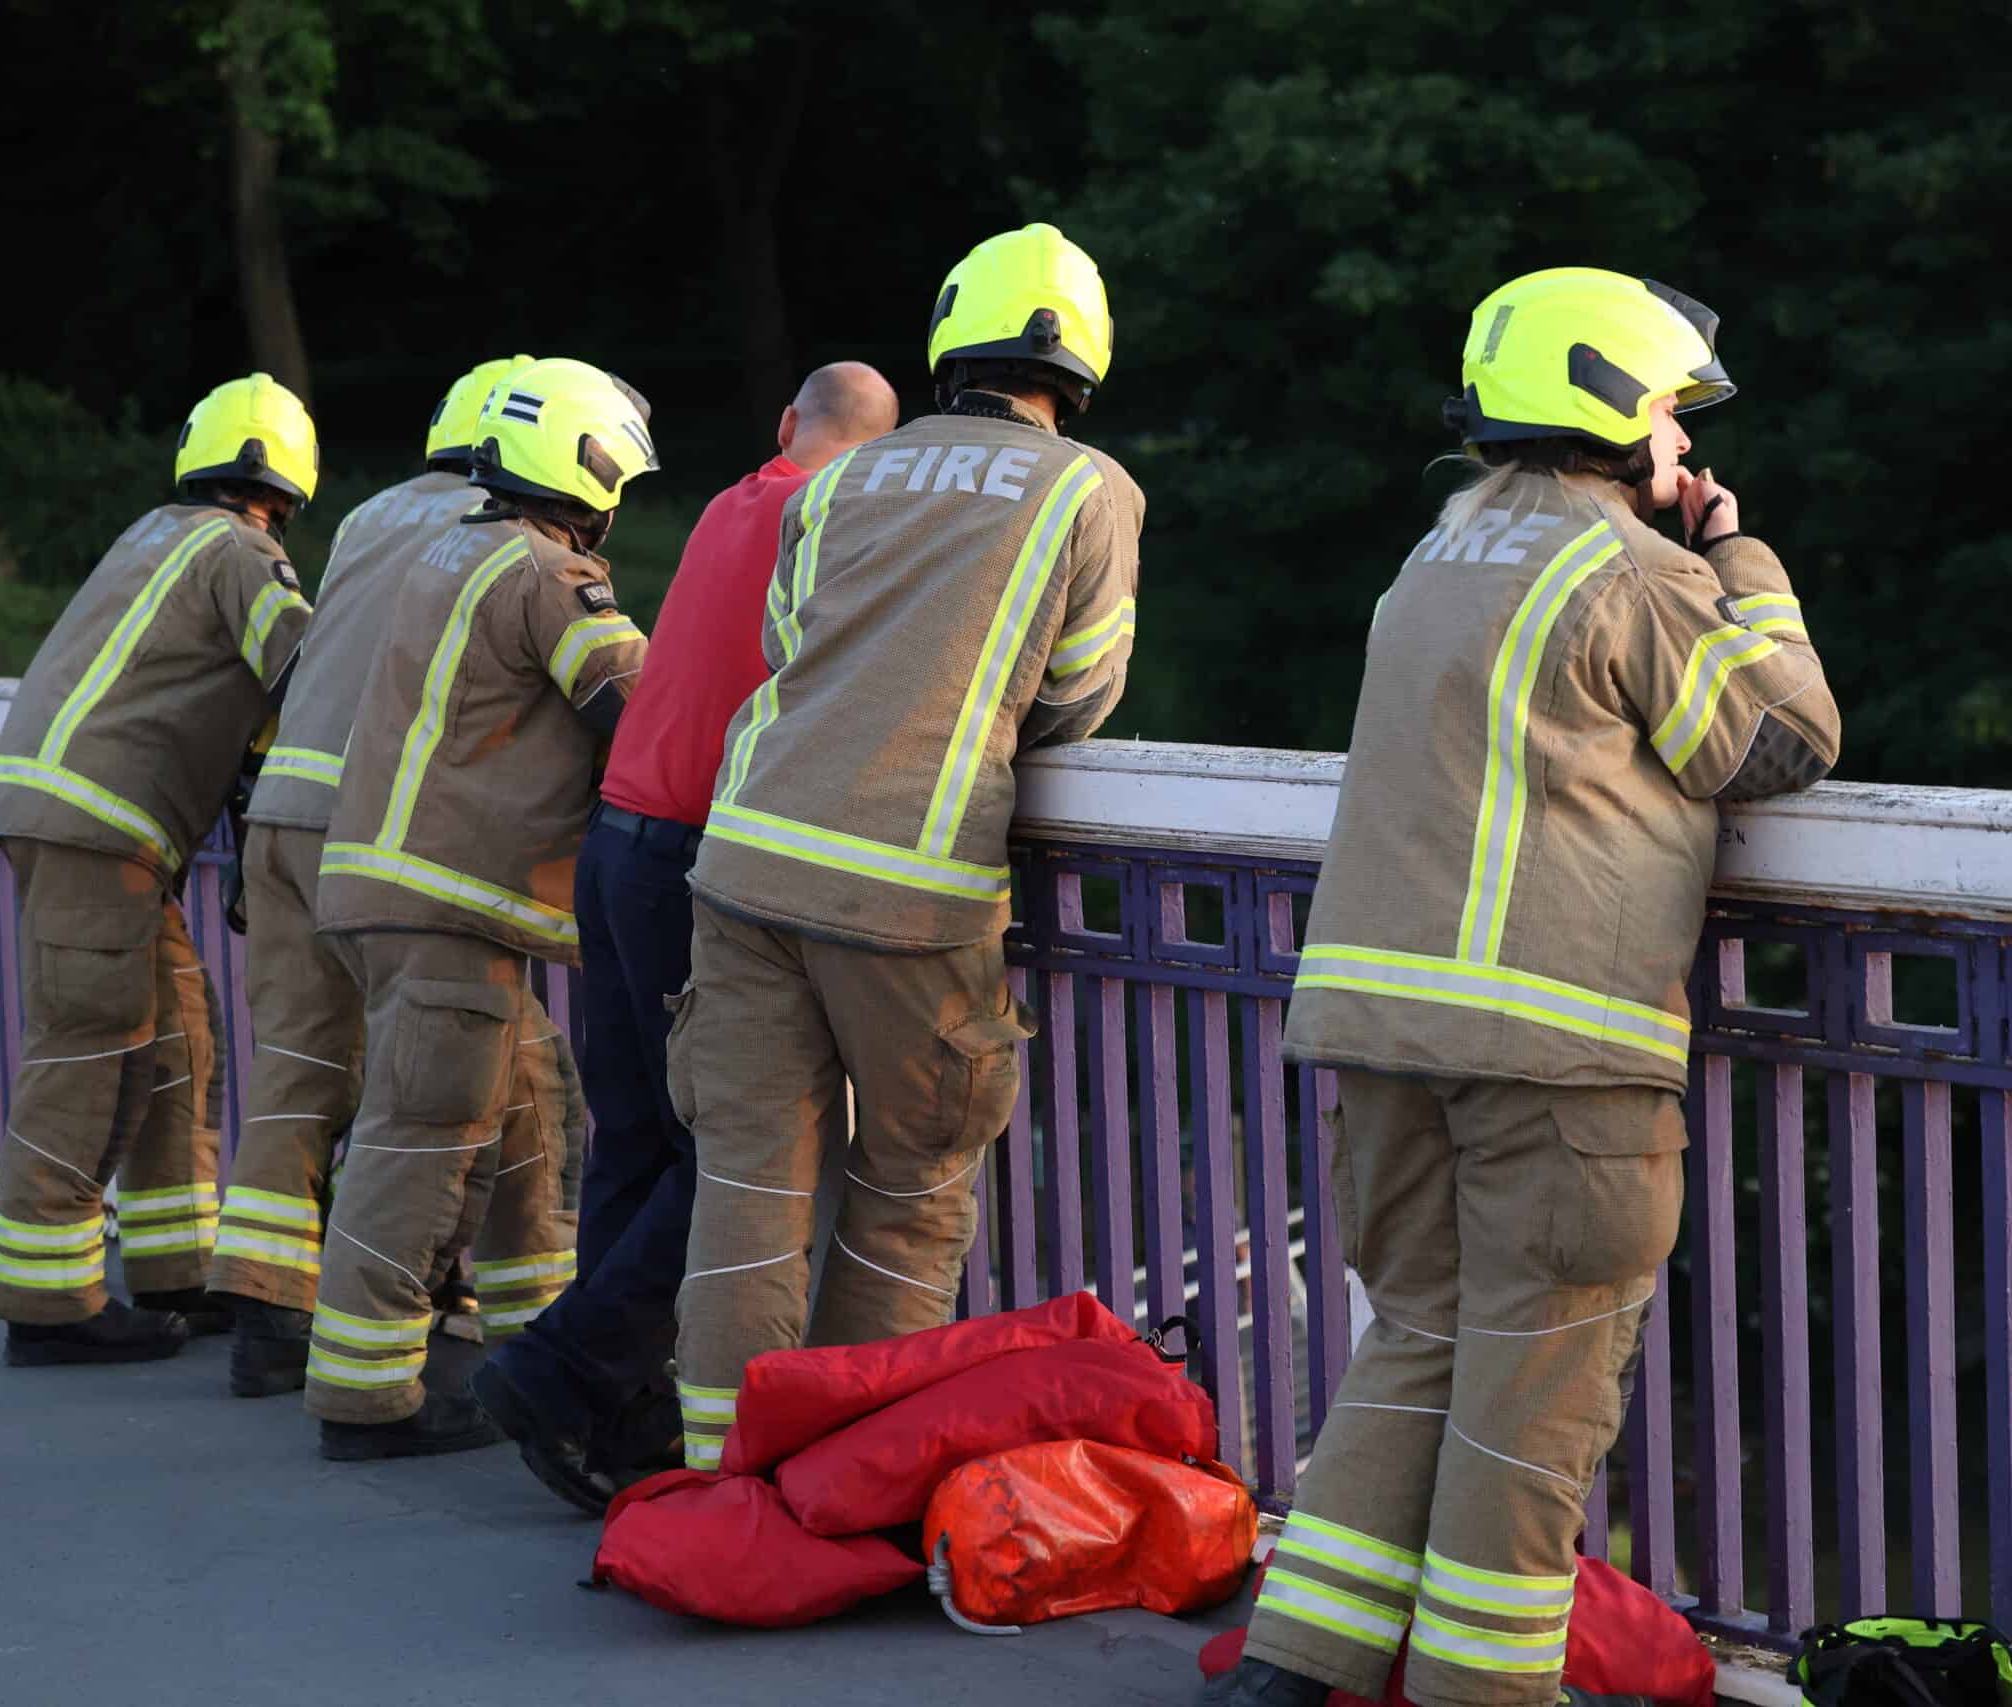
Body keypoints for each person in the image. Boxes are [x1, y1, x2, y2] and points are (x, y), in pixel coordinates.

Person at [1203, 269, 1840, 1707]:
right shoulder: (1634, 571)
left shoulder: (1435, 557)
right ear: (1611, 408)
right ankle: (1483, 1690)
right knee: (1535, 1394)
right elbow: (1783, 742)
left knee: (1417, 1339)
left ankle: (1289, 1669)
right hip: (1557, 1049)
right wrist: (1742, 560)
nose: (1685, 443)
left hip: (1379, 1026)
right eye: (1671, 413)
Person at [658, 224, 1144, 1475]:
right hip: (911, 889)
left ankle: (720, 1479)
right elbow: (1078, 691)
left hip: (746, 856)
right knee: (912, 1187)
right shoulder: (1087, 489)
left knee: (749, 1183)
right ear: (1079, 363)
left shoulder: (839, 479)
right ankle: (842, 1474)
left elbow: (788, 648)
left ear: (948, 342)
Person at [472, 362, 901, 1510]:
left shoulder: (729, 505)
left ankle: (617, 1422)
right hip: (688, 860)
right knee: (728, 1145)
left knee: (634, 1142)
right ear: (878, 461)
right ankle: (561, 1370)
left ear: (786, 423)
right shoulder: (836, 524)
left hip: (615, 844)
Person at [301, 357, 655, 1461]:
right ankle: (367, 1400)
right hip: (448, 905)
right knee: (419, 1138)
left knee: (531, 1108)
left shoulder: (449, 548)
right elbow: (640, 707)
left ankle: (535, 1349)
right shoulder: (550, 573)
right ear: (588, 466)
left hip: (395, 890)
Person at [205, 355, 563, 1399]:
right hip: (377, 829)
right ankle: (521, 1317)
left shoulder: (371, 516)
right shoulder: (509, 534)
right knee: (502, 1075)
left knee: (299, 1063)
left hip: (282, 814)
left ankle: (269, 1316)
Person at [0, 373, 316, 1365]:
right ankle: (48, 1306)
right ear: (289, 483)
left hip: (85, 822)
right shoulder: (244, 554)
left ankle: (174, 1271)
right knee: (89, 1047)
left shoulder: (154, 533)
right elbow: (306, 674)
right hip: (100, 828)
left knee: (175, 1037)